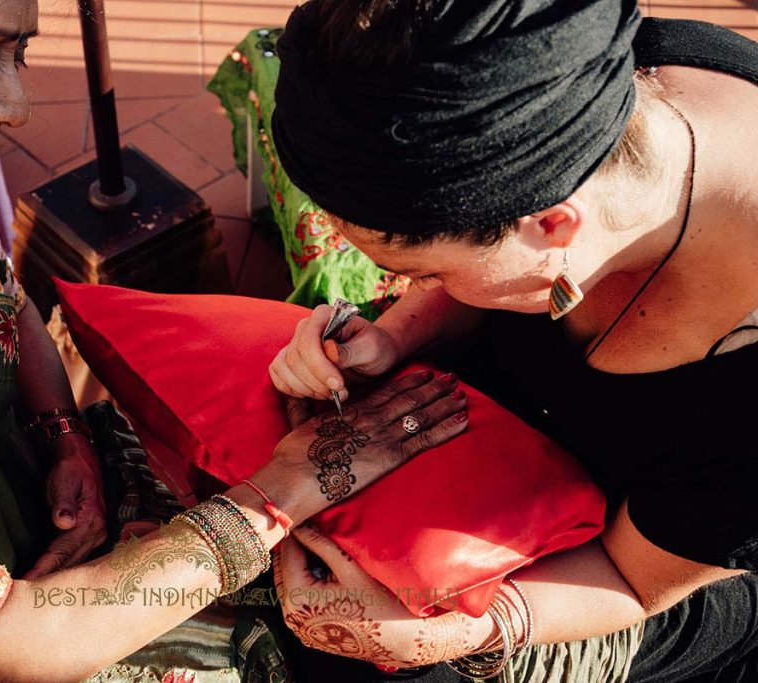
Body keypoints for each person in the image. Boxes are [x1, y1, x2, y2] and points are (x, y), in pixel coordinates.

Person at [0, 0, 471, 680]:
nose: (16, 104)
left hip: (64, 528)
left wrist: (59, 431)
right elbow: (3, 637)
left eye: (19, 54)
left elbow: (5, 303)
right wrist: (286, 489)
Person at [267, 0, 758, 681]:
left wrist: (460, 632)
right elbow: (484, 228)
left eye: (425, 273)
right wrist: (388, 335)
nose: (412, 288)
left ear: (554, 226)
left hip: (639, 571)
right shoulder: (554, 90)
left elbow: (629, 580)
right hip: (516, 443)